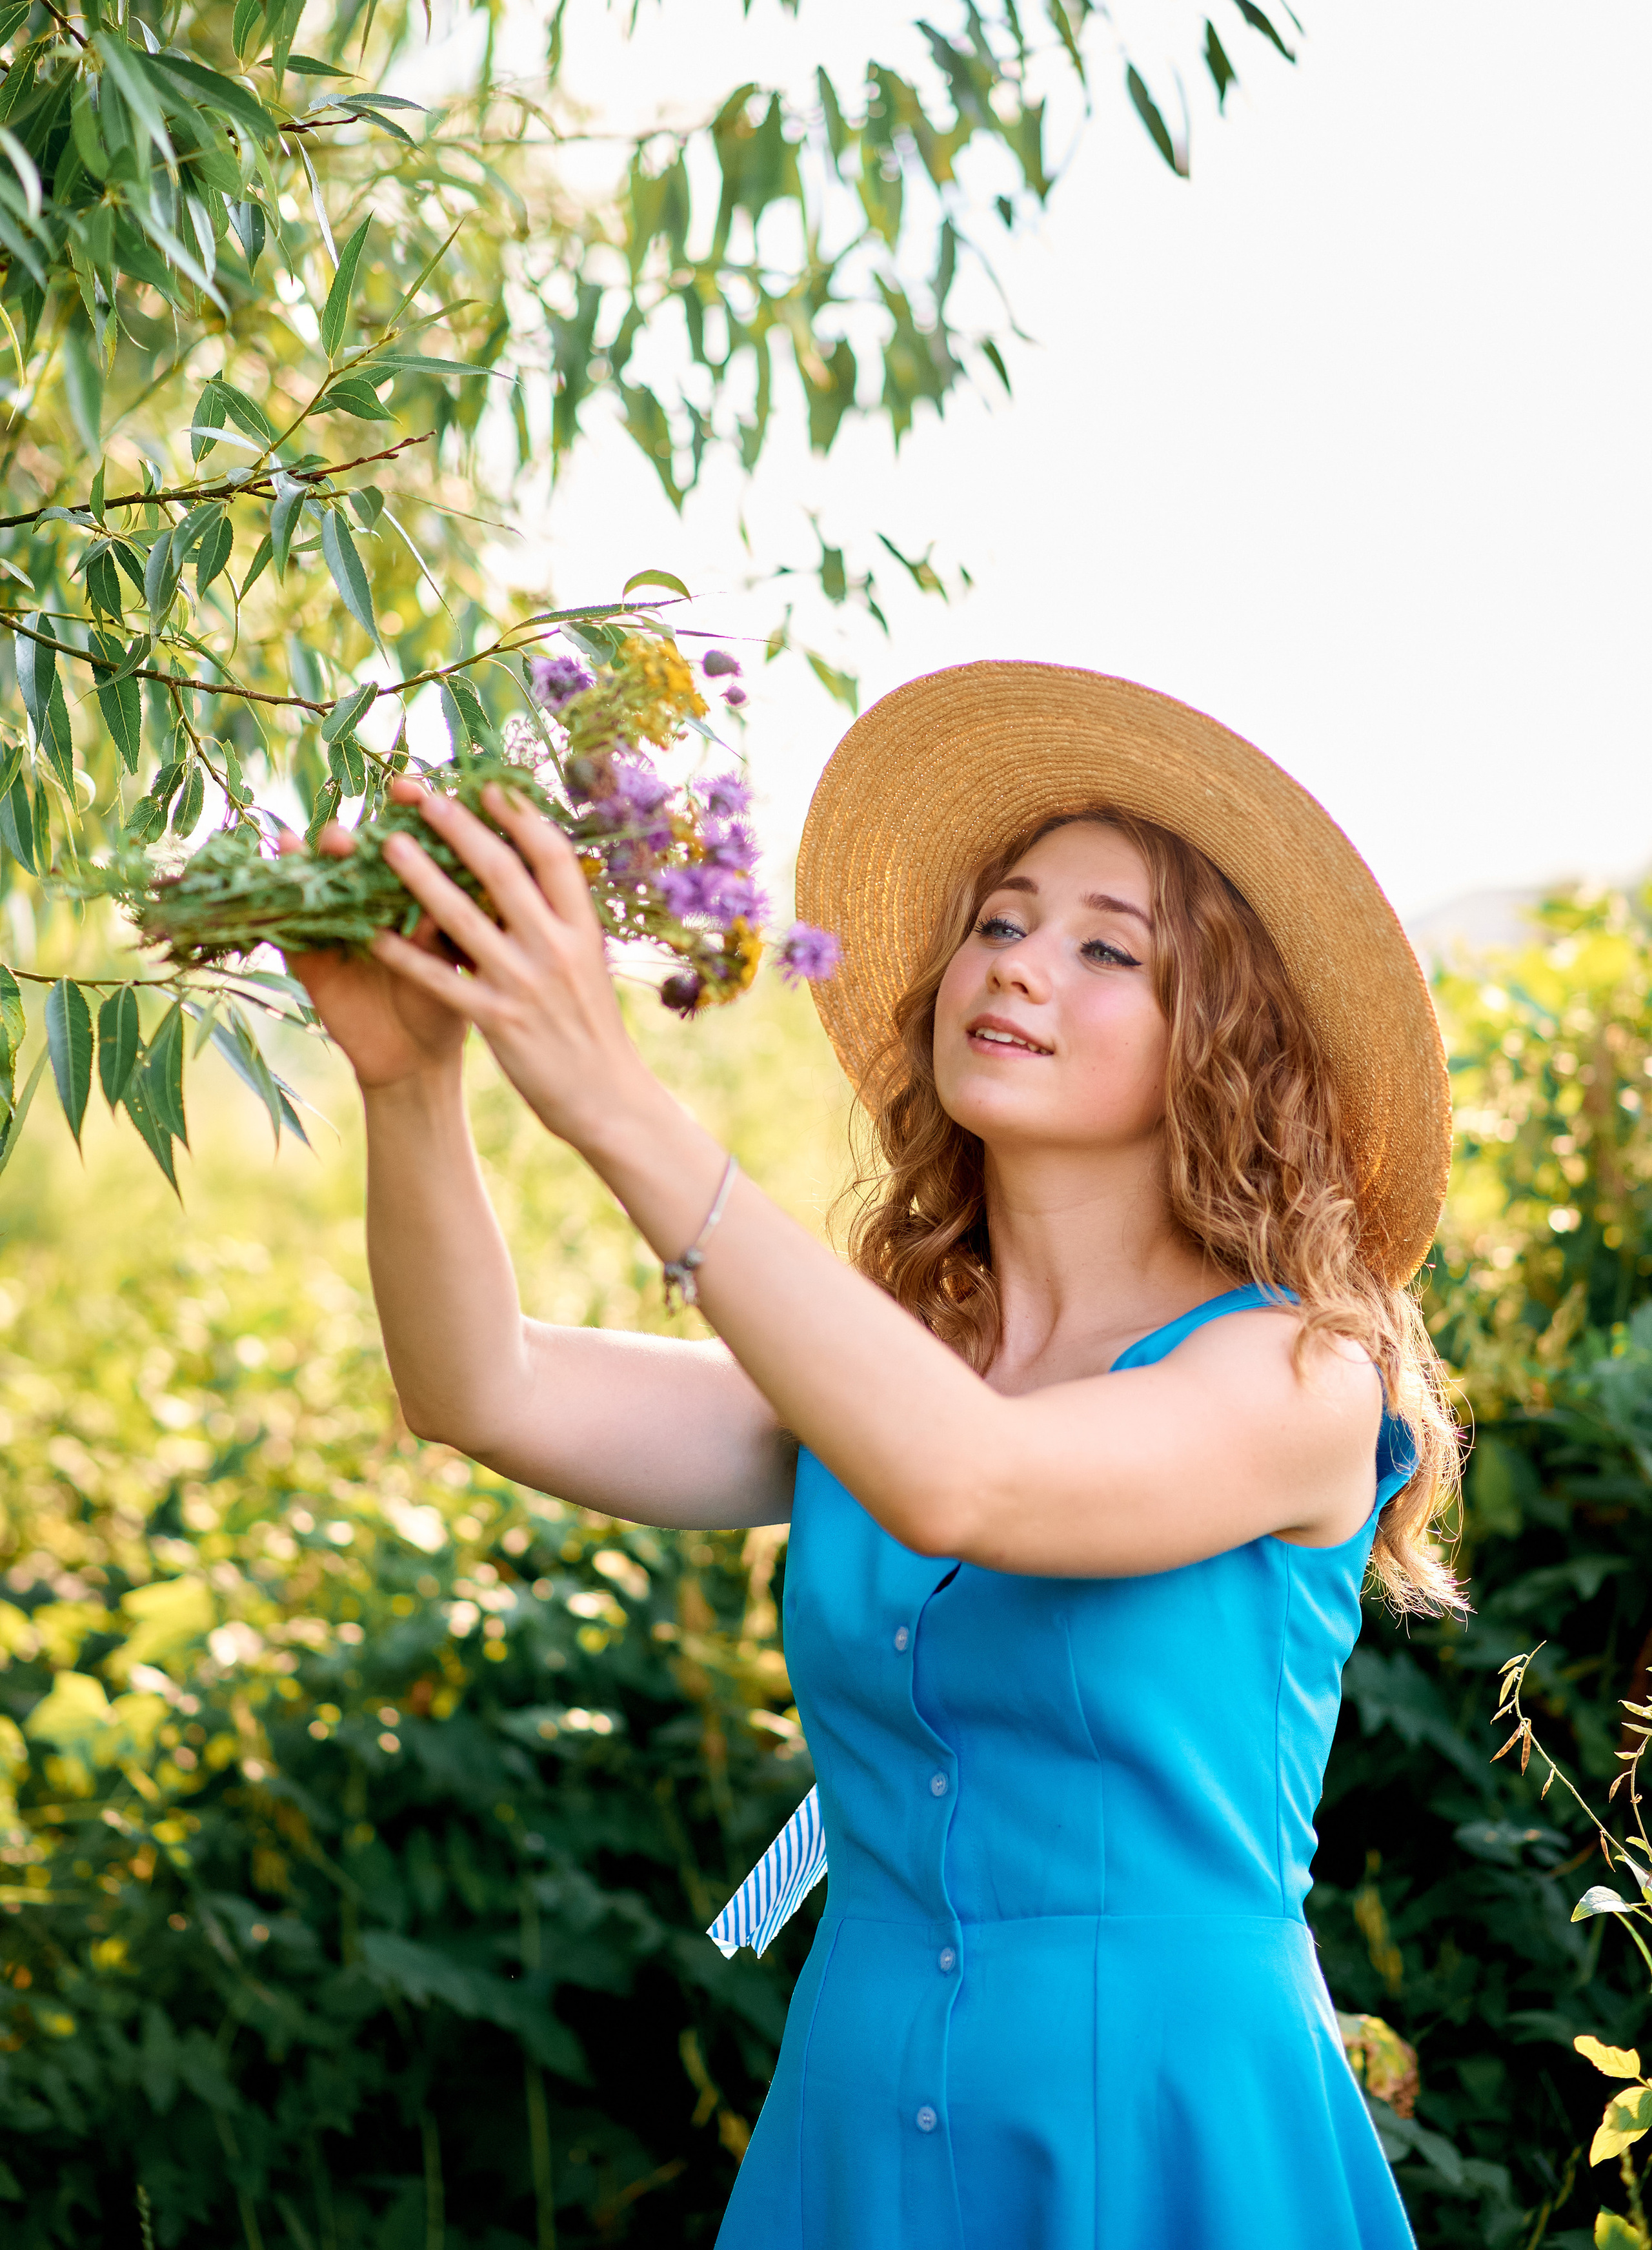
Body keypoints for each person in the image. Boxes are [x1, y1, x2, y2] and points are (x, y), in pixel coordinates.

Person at [290, 660, 1458, 2250]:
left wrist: (620, 1106)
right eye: (1001, 920)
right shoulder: (884, 1365)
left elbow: (969, 1481)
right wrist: (409, 1080)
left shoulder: (1302, 1377)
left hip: (1164, 2136)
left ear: (1226, 1048)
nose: (1021, 968)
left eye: (1107, 949)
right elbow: (481, 1388)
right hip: (859, 2124)